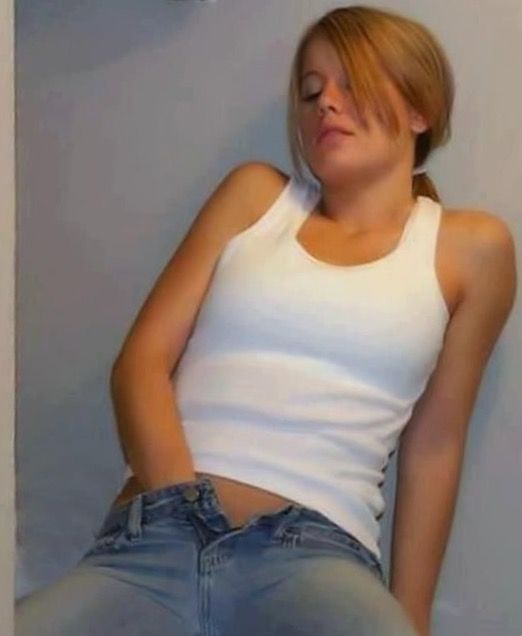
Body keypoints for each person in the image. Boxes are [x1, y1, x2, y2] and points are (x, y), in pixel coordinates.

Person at [16, 5, 517, 636]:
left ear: (420, 110)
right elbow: (141, 363)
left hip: (315, 557)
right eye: (310, 91)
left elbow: (436, 444)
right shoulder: (254, 198)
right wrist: (183, 510)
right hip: (153, 544)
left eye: (351, 83)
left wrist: (411, 618)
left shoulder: (471, 248)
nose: (325, 103)